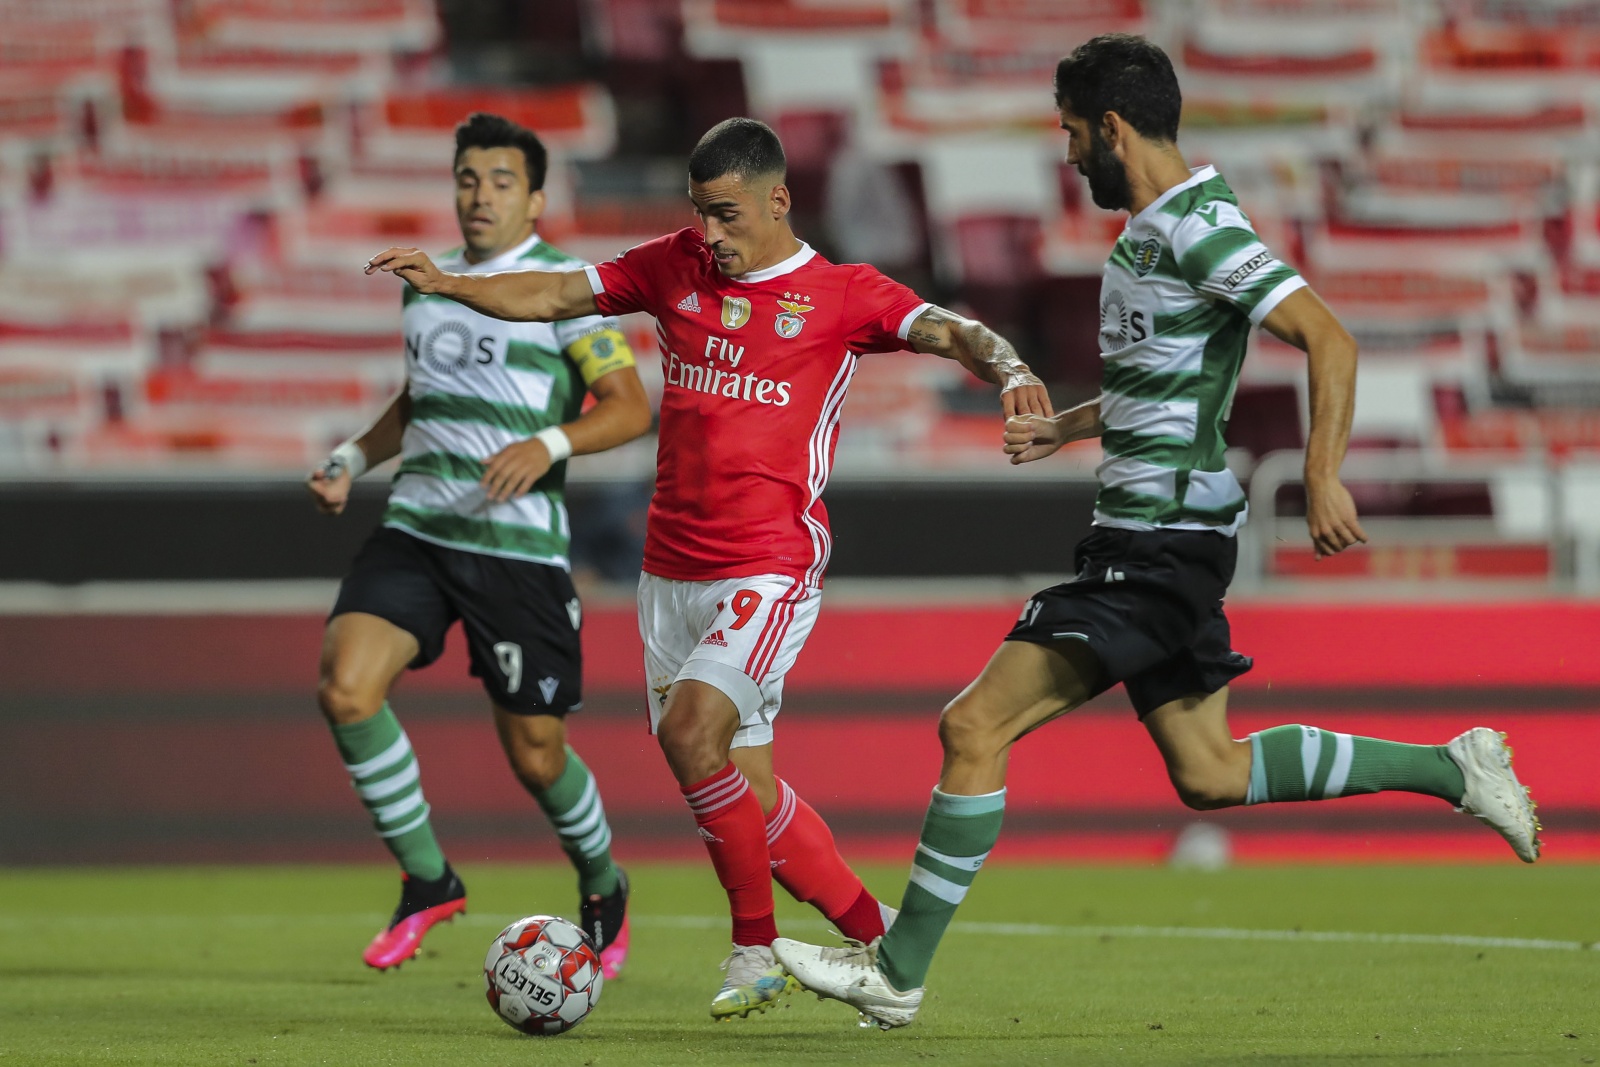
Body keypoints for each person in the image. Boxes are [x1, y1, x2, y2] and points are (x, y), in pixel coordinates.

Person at [770, 33, 1543, 1030]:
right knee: (1209, 772)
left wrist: (1318, 476)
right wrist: (1069, 425)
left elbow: (1326, 335)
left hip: (1159, 542)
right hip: (1150, 535)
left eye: (1069, 134)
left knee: (972, 723)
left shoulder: (1199, 228)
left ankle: (898, 968)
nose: (1067, 156)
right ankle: (1454, 768)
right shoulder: (1157, 233)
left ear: (1111, 128)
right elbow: (1169, 385)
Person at [365, 116, 1054, 1019]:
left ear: (778, 200)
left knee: (695, 739)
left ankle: (751, 949)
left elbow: (953, 330)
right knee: (748, 799)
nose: (713, 235)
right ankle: (878, 945)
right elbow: (552, 295)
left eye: (727, 215)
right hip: (668, 576)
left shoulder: (841, 294)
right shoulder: (672, 264)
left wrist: (1009, 367)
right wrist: (454, 283)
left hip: (766, 568)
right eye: (700, 215)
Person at [308, 112, 652, 977]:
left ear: (535, 197)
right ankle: (429, 879)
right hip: (418, 527)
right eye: (467, 178)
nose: (480, 195)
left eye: (501, 180)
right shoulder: (425, 281)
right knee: (346, 687)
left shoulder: (571, 289)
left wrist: (550, 444)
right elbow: (418, 400)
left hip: (515, 547)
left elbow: (629, 405)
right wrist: (352, 456)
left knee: (536, 755)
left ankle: (604, 883)